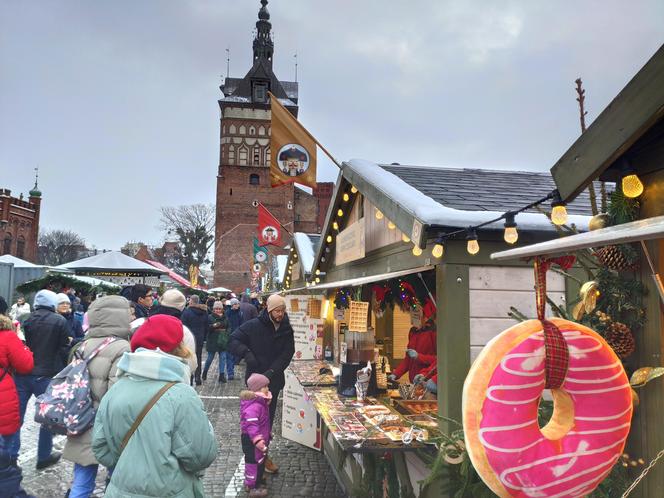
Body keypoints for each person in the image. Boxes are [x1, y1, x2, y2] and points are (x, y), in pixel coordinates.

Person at [92, 315, 218, 497]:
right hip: (170, 491)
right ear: (180, 348)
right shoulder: (181, 394)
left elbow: (101, 448)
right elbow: (200, 456)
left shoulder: (115, 389)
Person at [63, 296, 131, 498]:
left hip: (82, 419)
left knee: (82, 481)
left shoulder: (83, 345)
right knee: (117, 480)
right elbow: (117, 393)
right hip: (107, 425)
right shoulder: (122, 348)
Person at [229, 294, 295, 474]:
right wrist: (247, 354)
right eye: (277, 311)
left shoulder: (287, 329)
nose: (280, 314)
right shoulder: (253, 326)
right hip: (255, 382)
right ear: (269, 310)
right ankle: (253, 460)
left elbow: (287, 353)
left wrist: (271, 373)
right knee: (253, 422)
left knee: (268, 421)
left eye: (282, 311)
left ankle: (264, 456)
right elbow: (234, 339)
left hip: (273, 382)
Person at [10, 289, 70, 469]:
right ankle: (43, 456)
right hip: (47, 374)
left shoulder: (27, 319)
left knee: (16, 417)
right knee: (47, 418)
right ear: (53, 303)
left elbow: (25, 342)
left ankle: (11, 457)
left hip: (24, 372)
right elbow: (63, 347)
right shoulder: (59, 321)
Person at [0, 314, 35, 498]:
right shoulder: (7, 336)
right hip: (2, 401)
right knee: (3, 455)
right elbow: (25, 365)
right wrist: (24, 345)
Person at [131, 289, 198, 375]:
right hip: (171, 380)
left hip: (138, 375)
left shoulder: (139, 323)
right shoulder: (183, 331)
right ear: (182, 308)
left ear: (161, 301)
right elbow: (191, 364)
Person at [240, 373, 272, 497]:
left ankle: (255, 482)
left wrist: (267, 434)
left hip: (257, 439)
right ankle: (253, 487)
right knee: (253, 462)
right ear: (257, 389)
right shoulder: (254, 406)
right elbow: (252, 427)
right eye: (265, 387)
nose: (268, 389)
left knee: (259, 460)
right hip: (252, 440)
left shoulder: (260, 403)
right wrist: (258, 441)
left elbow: (262, 423)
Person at [181, 295, 209, 386]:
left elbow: (183, 326)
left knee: (189, 357)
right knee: (198, 357)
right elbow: (206, 325)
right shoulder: (204, 312)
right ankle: (198, 377)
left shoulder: (187, 312)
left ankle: (190, 377)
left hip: (189, 338)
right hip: (200, 338)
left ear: (192, 302)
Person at [204, 301, 230, 383]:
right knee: (210, 358)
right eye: (216, 309)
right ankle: (205, 371)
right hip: (213, 340)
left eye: (219, 309)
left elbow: (229, 327)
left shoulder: (226, 317)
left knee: (223, 358)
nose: (218, 310)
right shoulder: (210, 317)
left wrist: (227, 333)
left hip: (223, 340)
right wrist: (214, 326)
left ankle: (221, 375)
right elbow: (207, 328)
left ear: (222, 309)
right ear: (214, 309)